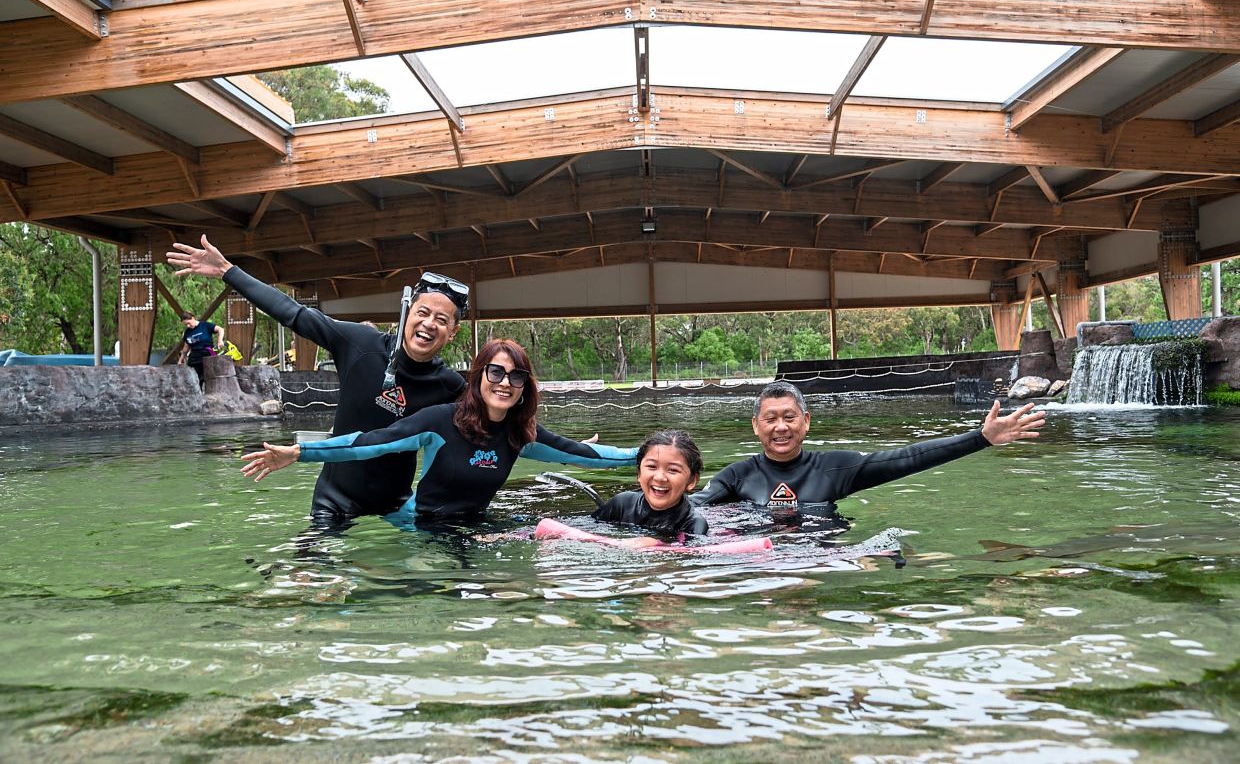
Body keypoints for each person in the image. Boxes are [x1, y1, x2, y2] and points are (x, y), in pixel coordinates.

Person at [167, 234, 467, 529]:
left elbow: (492, 429)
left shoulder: (449, 386)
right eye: (423, 312)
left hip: (398, 505)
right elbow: (293, 313)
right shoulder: (360, 343)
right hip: (335, 500)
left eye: (442, 320)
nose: (429, 324)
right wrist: (227, 271)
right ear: (407, 313)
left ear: (452, 332)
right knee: (306, 574)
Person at [240, 339, 636, 523]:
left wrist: (646, 458)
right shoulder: (439, 420)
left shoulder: (521, 433)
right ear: (479, 376)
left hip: (474, 526)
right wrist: (300, 452)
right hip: (424, 527)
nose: (504, 382)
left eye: (516, 376)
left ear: (524, 388)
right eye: (495, 371)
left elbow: (586, 456)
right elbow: (369, 444)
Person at [690, 381, 1045, 511]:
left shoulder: (835, 468)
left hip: (825, 559)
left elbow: (908, 458)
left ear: (806, 421)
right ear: (756, 426)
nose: (780, 427)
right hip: (760, 564)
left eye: (789, 417)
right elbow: (684, 508)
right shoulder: (735, 477)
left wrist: (980, 438)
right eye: (770, 419)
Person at [591, 429, 709, 538]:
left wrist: (659, 545)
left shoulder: (694, 524)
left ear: (692, 481)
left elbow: (690, 553)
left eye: (673, 470)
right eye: (652, 466)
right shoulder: (622, 505)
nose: (660, 477)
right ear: (639, 473)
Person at [177, 311, 224, 387]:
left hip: (208, 354)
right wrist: (180, 360)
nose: (188, 326)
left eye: (189, 323)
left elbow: (220, 329)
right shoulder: (187, 332)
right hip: (194, 357)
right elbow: (186, 347)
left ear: (193, 318)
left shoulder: (205, 326)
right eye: (186, 325)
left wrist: (220, 340)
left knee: (209, 378)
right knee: (194, 379)